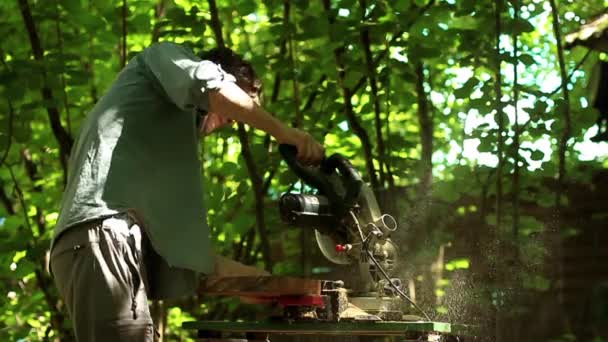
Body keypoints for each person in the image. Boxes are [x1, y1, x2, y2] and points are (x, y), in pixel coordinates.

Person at [49, 42, 325, 341]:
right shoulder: (161, 58)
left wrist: (267, 285)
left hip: (98, 245)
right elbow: (210, 85)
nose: (232, 120)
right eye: (241, 104)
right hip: (100, 238)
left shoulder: (154, 149)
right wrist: (286, 133)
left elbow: (187, 257)